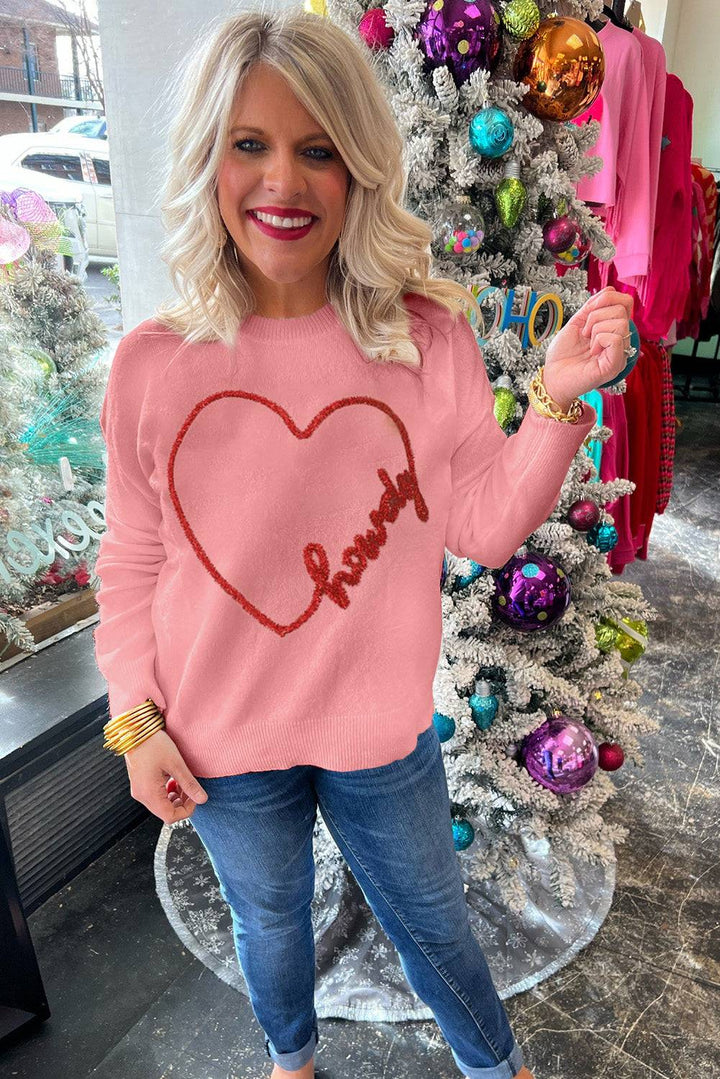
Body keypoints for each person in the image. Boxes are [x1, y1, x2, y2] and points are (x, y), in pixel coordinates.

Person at [94, 9, 633, 1079]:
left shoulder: (422, 337)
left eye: (318, 148)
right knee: (273, 921)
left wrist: (559, 405)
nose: (282, 182)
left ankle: (496, 1065)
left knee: (434, 923)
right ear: (210, 157)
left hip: (381, 730)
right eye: (250, 144)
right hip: (216, 735)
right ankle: (291, 1061)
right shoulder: (153, 365)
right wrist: (134, 720)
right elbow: (133, 558)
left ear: (359, 169)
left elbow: (480, 523)